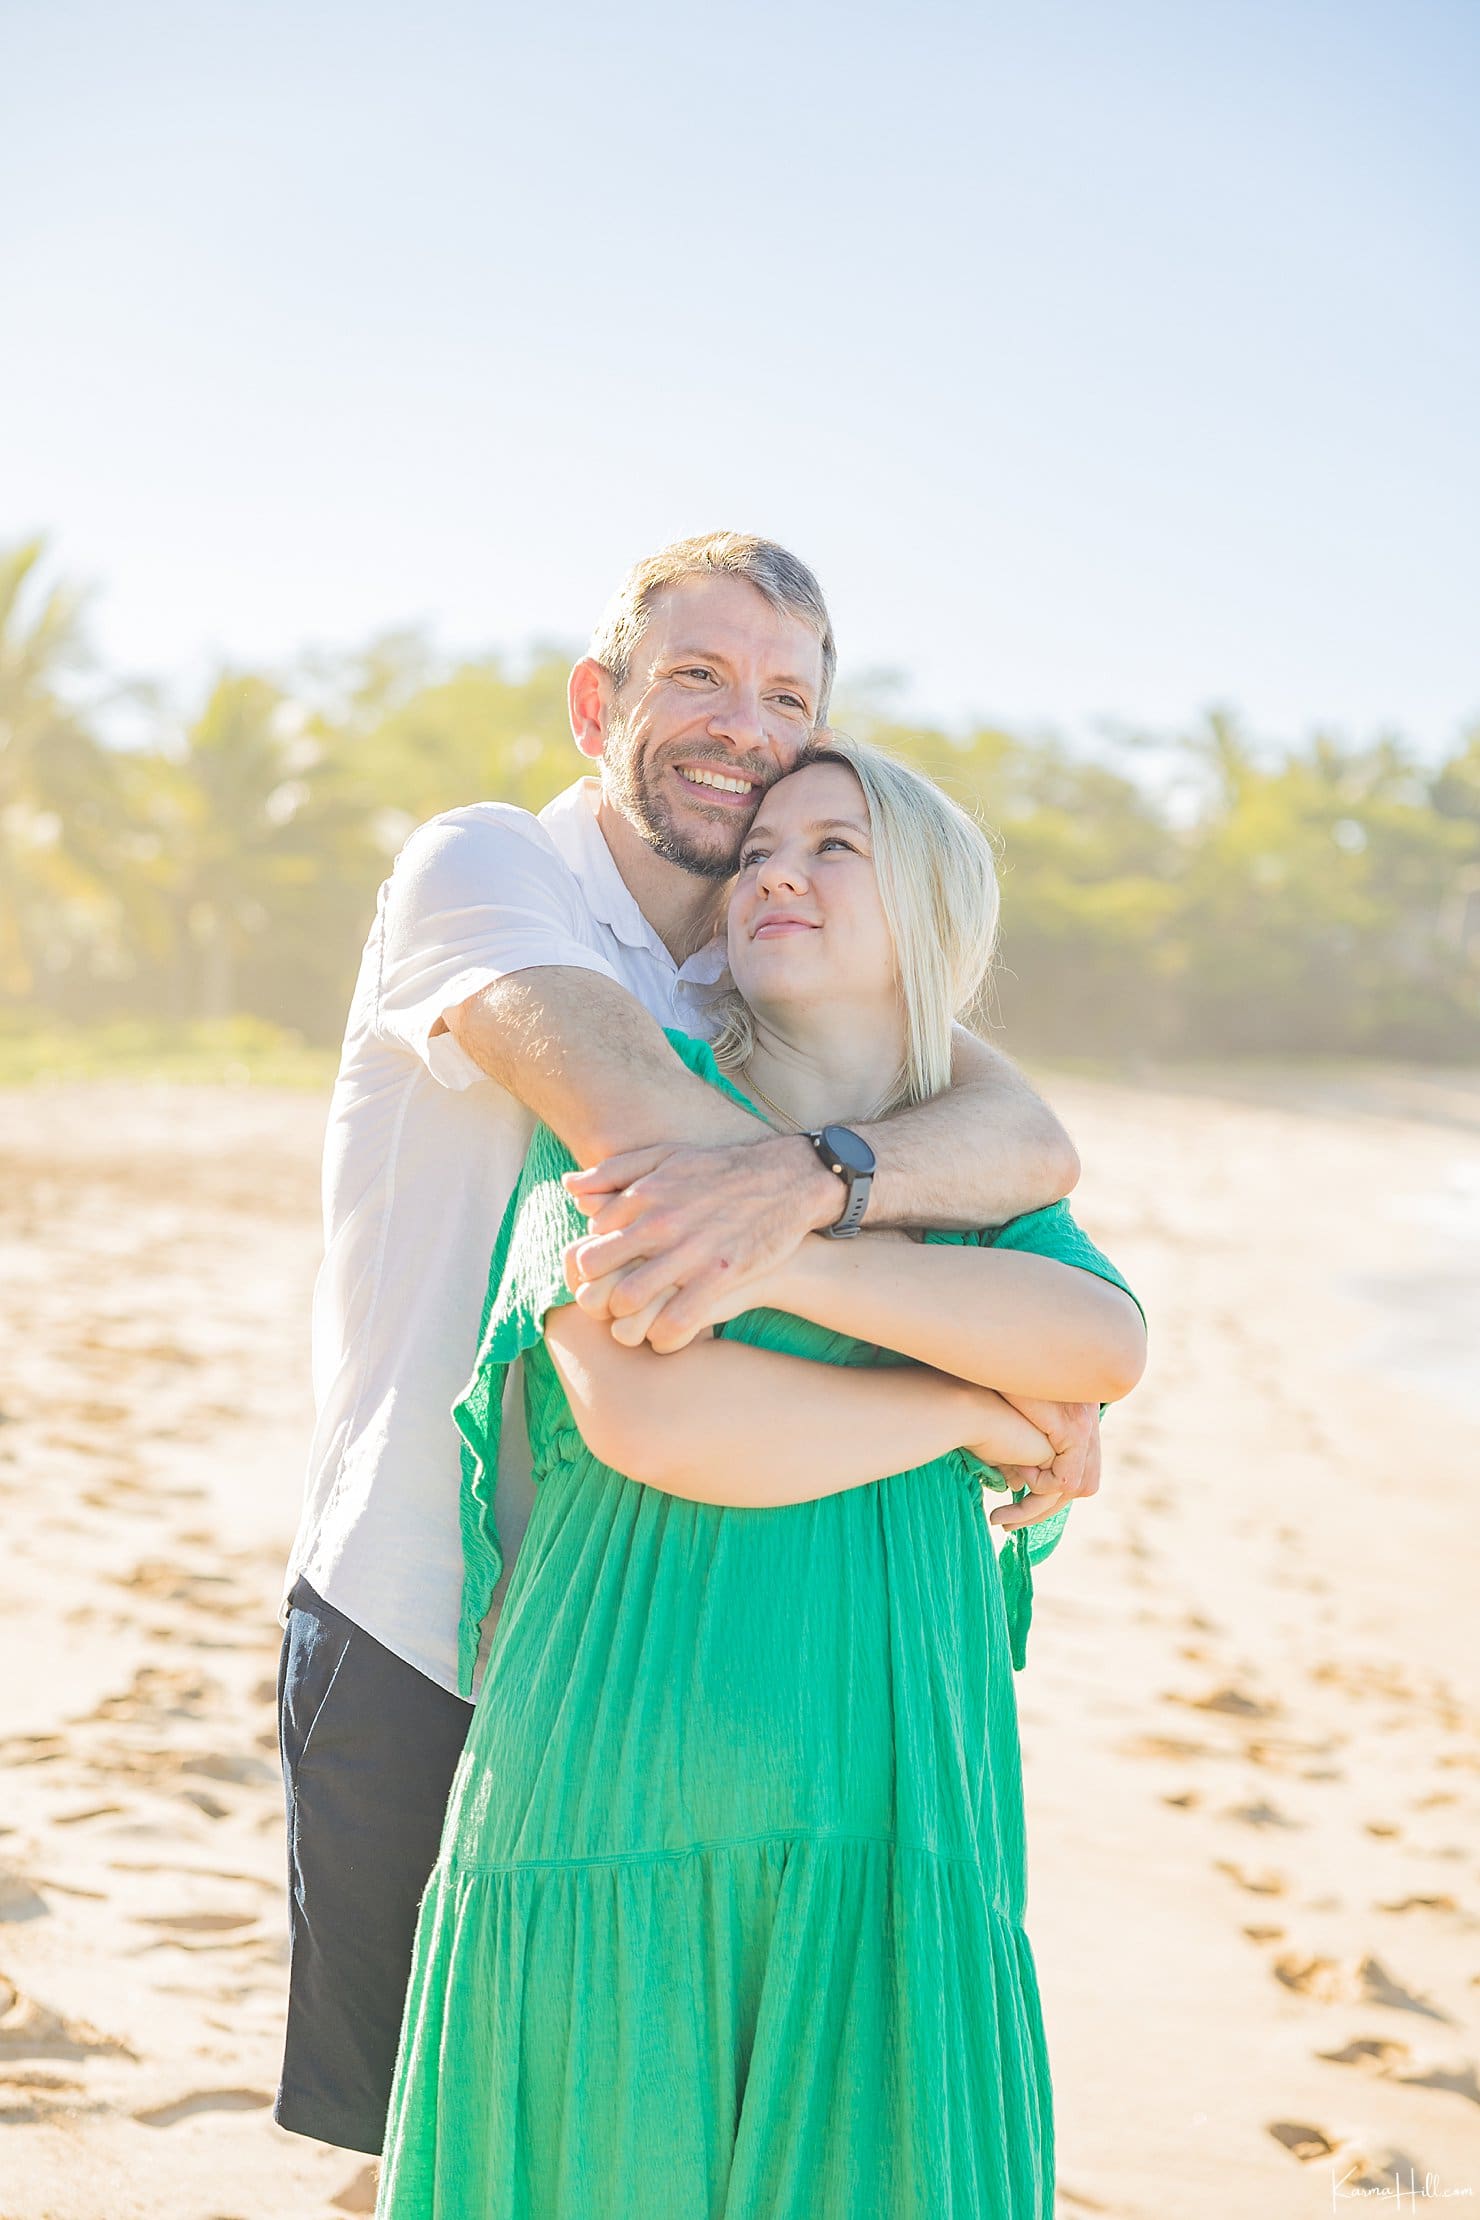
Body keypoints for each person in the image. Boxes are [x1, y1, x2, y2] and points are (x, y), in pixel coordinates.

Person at [275, 532, 1089, 2160]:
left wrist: (850, 1189)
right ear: (600, 705)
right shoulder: (489, 871)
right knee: (432, 2137)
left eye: (788, 693)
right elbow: (645, 1132)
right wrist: (981, 1379)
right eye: (699, 676)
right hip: (424, 1602)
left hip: (653, 1639)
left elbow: (1022, 1129)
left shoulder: (760, 962)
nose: (745, 722)